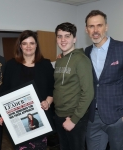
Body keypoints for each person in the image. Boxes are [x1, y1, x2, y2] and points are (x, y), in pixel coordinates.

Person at [0, 30, 54, 150]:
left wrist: (48, 102)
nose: (28, 46)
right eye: (25, 43)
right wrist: (0, 112)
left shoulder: (46, 64)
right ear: (20, 46)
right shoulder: (11, 65)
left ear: (36, 45)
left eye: (31, 43)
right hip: (17, 120)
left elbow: (52, 89)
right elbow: (4, 90)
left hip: (40, 118)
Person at [85, 10, 123, 150]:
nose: (95, 30)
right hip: (93, 118)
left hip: (118, 117)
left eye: (99, 25)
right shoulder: (86, 52)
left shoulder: (121, 48)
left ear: (106, 26)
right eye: (91, 26)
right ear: (86, 29)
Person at [53, 22, 94, 150]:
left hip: (74, 117)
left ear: (74, 39)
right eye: (59, 36)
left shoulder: (81, 60)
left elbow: (88, 93)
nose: (63, 40)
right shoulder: (59, 60)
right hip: (59, 115)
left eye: (67, 36)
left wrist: (74, 119)